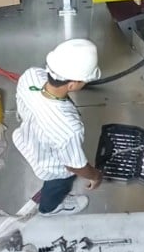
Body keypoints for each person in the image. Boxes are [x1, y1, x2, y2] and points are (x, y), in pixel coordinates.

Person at [13, 38, 104, 215]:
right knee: (58, 185)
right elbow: (73, 165)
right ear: (72, 84)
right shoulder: (69, 128)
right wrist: (95, 175)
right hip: (50, 166)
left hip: (26, 138)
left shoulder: (31, 75)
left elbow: (23, 108)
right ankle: (50, 208)